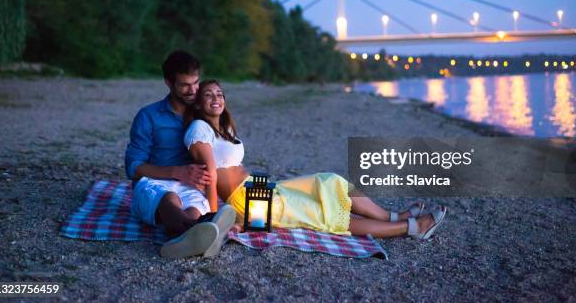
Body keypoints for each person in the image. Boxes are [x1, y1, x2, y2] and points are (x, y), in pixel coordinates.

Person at [184, 80, 448, 239]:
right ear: (198, 104)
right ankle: (411, 227)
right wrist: (215, 218)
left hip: (258, 187)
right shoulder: (199, 129)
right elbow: (210, 174)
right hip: (246, 200)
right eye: (208, 95)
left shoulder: (224, 129)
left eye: (219, 94)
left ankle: (391, 216)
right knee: (326, 213)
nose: (215, 98)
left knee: (330, 182)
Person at [125, 51, 236, 259]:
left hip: (190, 189)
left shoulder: (204, 116)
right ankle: (201, 234)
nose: (193, 90)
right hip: (153, 183)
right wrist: (177, 172)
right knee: (169, 199)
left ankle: (186, 238)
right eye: (185, 85)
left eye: (196, 83)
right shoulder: (148, 116)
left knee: (194, 208)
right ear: (168, 82)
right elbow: (133, 167)